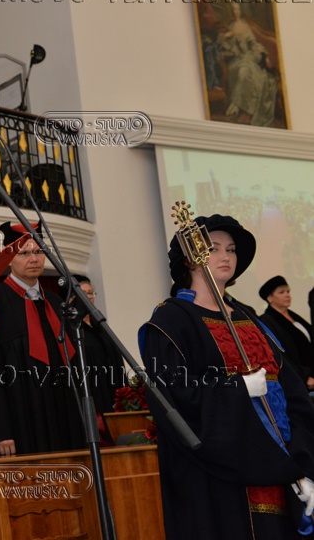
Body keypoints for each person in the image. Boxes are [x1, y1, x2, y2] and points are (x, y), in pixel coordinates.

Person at [139, 214, 314, 540]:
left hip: (281, 468)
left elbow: (294, 394)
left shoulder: (250, 318)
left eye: (231, 249)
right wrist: (237, 387)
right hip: (219, 480)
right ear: (189, 258)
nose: (225, 256)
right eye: (213, 248)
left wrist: (303, 464)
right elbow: (172, 396)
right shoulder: (172, 320)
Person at [0, 222, 84, 458]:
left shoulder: (56, 304)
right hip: (20, 422)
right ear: (8, 258)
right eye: (24, 253)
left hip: (63, 417)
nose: (33, 259)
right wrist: (0, 430)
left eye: (38, 252)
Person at [69, 275, 125, 418]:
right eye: (83, 293)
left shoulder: (101, 326)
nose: (89, 297)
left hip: (111, 391)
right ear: (70, 299)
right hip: (91, 395)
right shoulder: (71, 330)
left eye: (91, 293)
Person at [258, 275, 314, 393]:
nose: (287, 295)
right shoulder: (267, 321)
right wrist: (304, 377)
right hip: (300, 381)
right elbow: (279, 354)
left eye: (288, 291)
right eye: (281, 292)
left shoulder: (294, 316)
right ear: (270, 298)